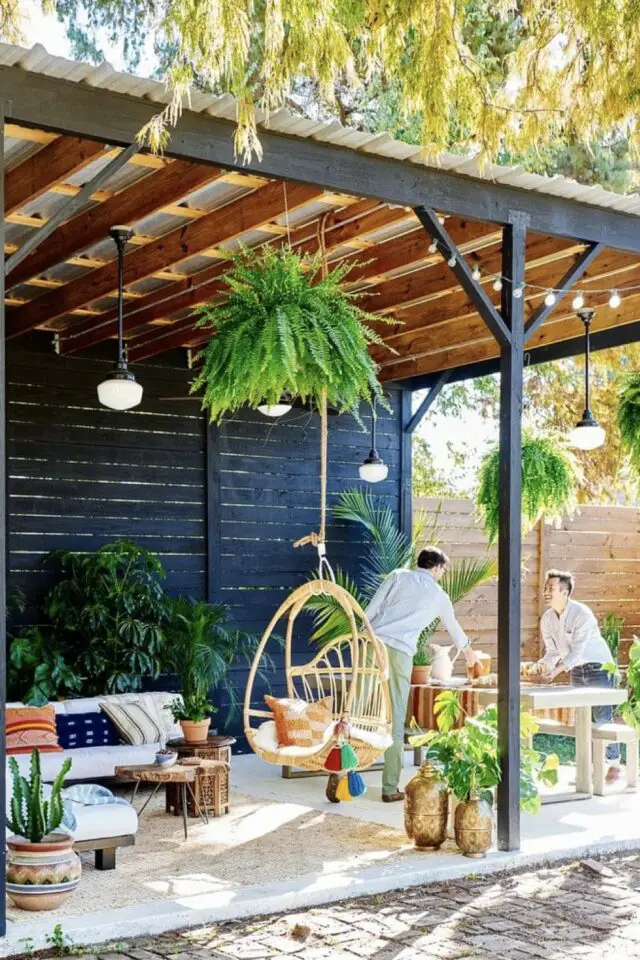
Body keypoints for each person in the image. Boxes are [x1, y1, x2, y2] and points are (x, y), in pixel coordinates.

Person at [366, 546, 479, 802]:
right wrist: (470, 655)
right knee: (394, 715)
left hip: (372, 645)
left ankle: (341, 772)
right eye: (443, 570)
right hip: (400, 652)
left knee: (359, 707)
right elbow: (455, 630)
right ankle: (389, 787)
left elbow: (372, 608)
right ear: (438, 568)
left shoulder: (397, 575)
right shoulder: (438, 595)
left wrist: (364, 634)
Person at [539, 568, 620, 784]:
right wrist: (541, 668)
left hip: (598, 667)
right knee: (582, 719)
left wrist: (556, 671)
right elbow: (552, 652)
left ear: (565, 593)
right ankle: (588, 771)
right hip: (576, 669)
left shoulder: (581, 614)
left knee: (601, 716)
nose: (546, 592)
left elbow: (577, 652)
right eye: (545, 588)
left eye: (551, 588)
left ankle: (613, 765)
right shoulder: (547, 618)